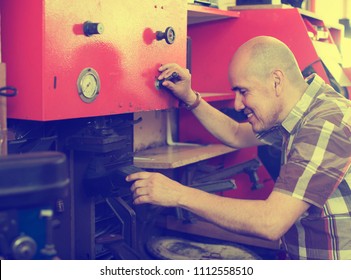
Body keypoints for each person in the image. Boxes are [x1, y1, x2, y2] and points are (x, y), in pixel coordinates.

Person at [127, 36, 351, 260]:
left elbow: (271, 222)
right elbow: (235, 133)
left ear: (276, 81)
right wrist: (190, 97)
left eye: (243, 92)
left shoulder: (324, 124)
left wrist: (178, 194)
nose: (237, 104)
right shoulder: (303, 110)